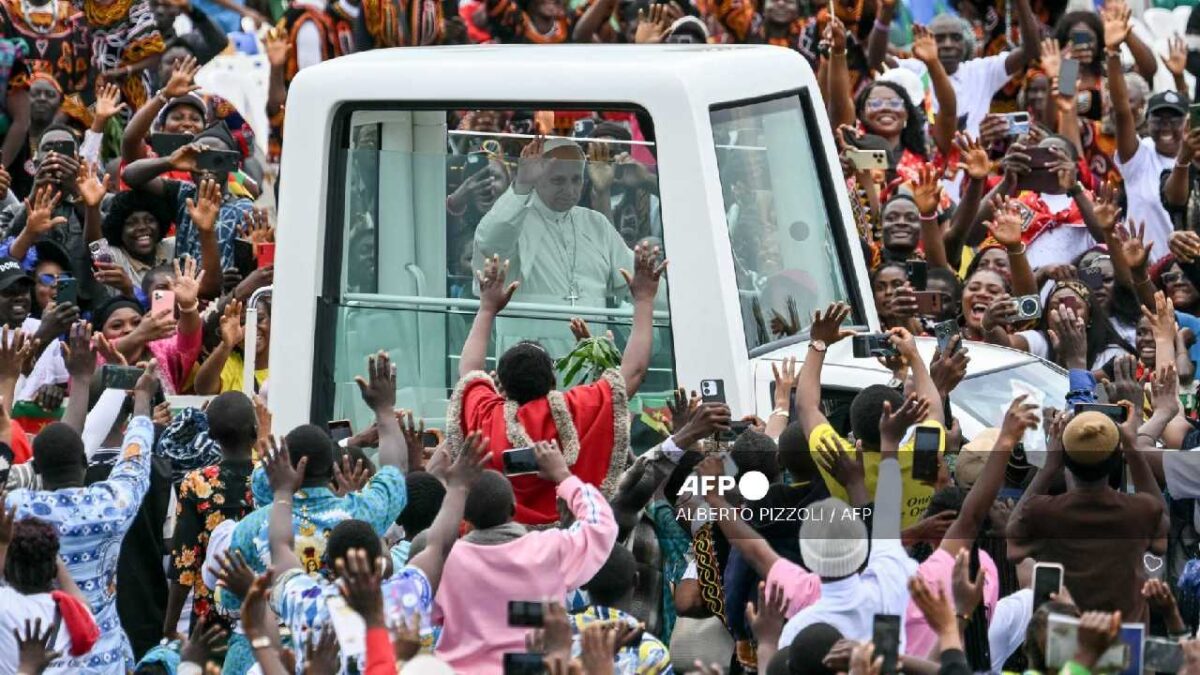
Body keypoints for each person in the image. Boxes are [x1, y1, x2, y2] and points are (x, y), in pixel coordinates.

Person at [449, 244, 662, 524]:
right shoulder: (578, 409)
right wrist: (645, 299)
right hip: (570, 545)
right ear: (553, 379)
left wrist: (487, 308)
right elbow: (633, 371)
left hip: (499, 546)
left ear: (501, 384)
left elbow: (469, 372)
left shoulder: (488, 419)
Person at [267, 429, 488, 672]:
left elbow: (280, 547)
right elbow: (438, 545)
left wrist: (283, 491)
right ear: (382, 562)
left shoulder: (306, 601)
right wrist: (458, 487)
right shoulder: (406, 593)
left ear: (327, 564)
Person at [5, 360, 158, 672]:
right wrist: (143, 400)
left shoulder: (18, 509)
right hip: (104, 655)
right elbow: (136, 460)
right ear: (84, 462)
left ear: (37, 470)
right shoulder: (111, 504)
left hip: (40, 656)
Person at [433, 440, 617, 673]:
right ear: (513, 509)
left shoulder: (443, 560)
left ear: (463, 515)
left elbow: (422, 614)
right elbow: (601, 524)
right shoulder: (550, 548)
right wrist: (563, 475)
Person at [1007, 406, 1168, 622]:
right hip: (1123, 638)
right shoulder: (1138, 511)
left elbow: (1013, 544)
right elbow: (1162, 531)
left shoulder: (1043, 512)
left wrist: (1048, 468)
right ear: (1116, 460)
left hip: (1064, 637)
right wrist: (1133, 450)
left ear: (1065, 459)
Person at [796, 302, 945, 527]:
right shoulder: (923, 455)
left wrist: (819, 343)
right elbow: (933, 408)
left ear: (853, 432)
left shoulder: (843, 462)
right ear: (905, 425)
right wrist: (912, 355)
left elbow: (806, 407)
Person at [472, 136, 635, 308]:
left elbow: (635, 281)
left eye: (576, 179)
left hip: (590, 335)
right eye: (558, 180)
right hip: (528, 335)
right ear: (537, 179)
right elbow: (490, 244)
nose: (569, 190)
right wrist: (522, 184)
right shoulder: (514, 219)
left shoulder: (596, 223)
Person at [162, 391, 257, 638]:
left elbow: (184, 562)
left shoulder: (197, 484)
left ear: (212, 436)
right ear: (255, 431)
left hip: (211, 619)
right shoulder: (269, 480)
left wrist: (170, 627)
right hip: (262, 610)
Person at [889, 2, 1041, 138]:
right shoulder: (914, 71)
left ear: (965, 43)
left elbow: (1030, 50)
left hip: (974, 164)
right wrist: (884, 16)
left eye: (955, 38)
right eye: (939, 38)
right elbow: (876, 60)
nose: (948, 44)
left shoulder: (982, 71)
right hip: (928, 165)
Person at [0, 515, 100, 675]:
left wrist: (3, 543)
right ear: (53, 567)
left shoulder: (4, 606)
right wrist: (51, 553)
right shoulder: (79, 616)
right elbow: (83, 604)